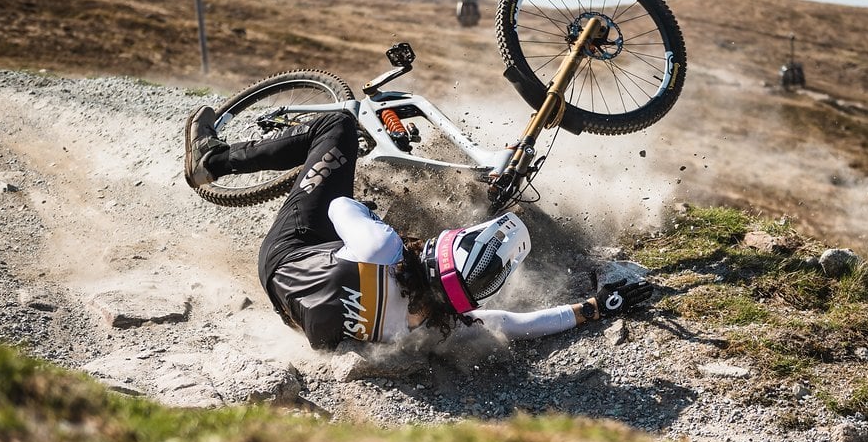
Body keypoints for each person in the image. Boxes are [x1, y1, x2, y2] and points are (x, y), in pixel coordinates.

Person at [183, 106, 653, 355]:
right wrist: (592, 308)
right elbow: (516, 325)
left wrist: (374, 215)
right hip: (292, 311)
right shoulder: (439, 327)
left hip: (286, 256)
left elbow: (344, 207)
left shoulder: (381, 246)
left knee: (339, 127)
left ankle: (212, 159)